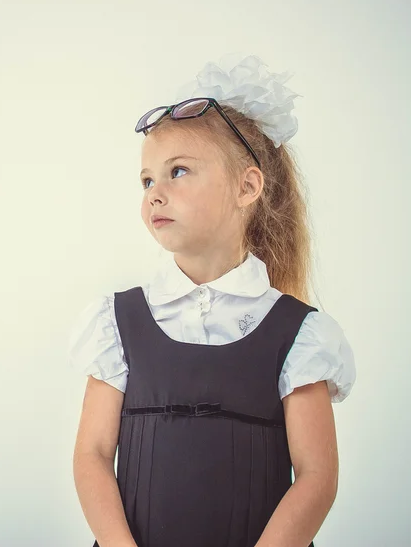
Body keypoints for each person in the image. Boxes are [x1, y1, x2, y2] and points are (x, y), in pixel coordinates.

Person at [68, 53, 356, 547]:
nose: (154, 193)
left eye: (178, 171)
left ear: (247, 187)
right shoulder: (117, 322)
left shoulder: (300, 335)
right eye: (146, 179)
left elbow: (316, 477)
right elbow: (92, 453)